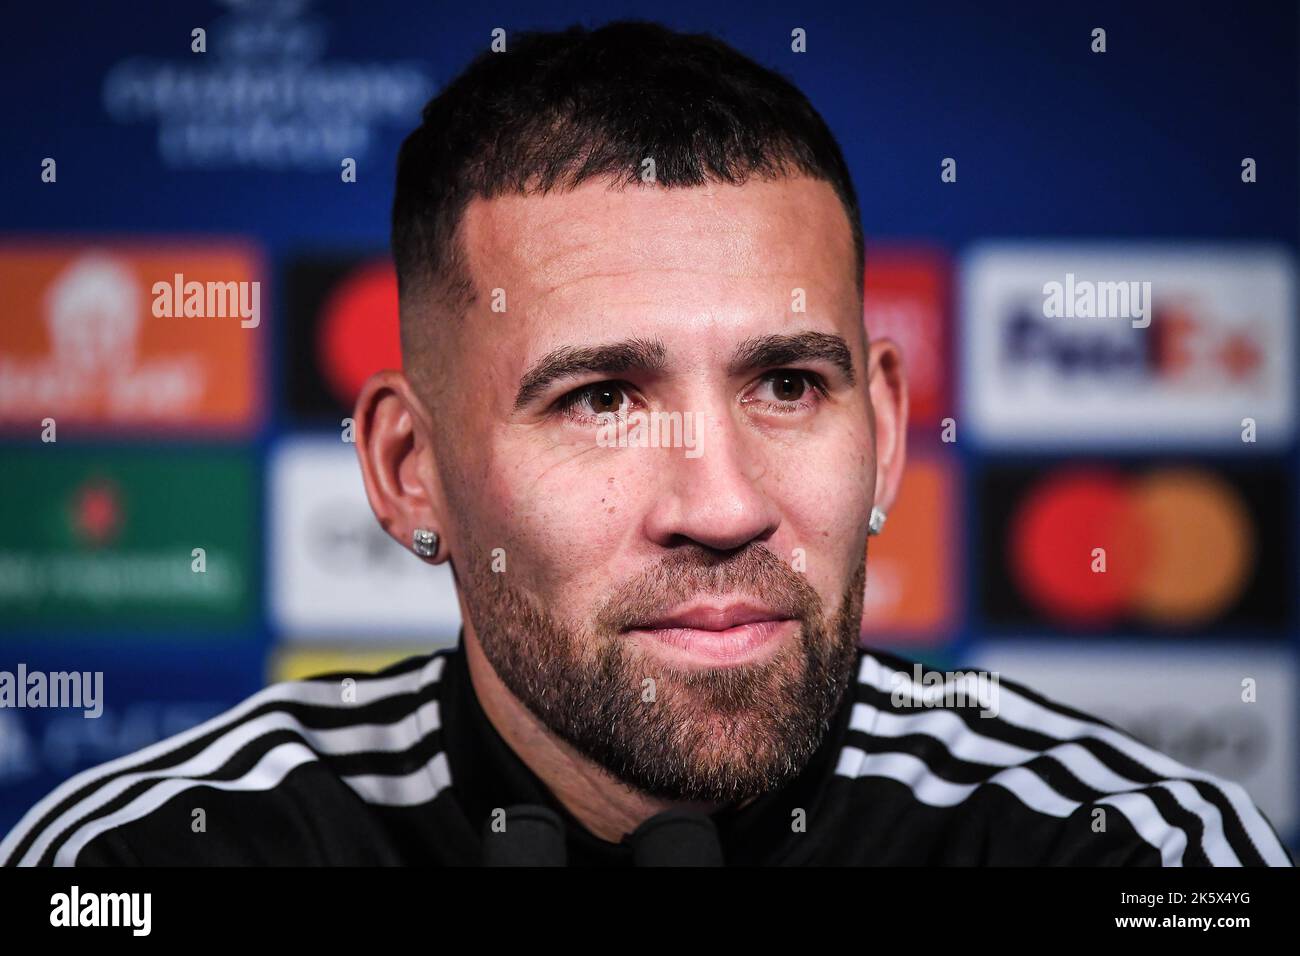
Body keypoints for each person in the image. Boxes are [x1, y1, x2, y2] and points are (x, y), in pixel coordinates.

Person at [3, 21, 1290, 867]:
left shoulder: (1138, 857)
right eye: (600, 400)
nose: (722, 503)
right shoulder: (143, 864)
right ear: (409, 469)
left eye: (788, 384)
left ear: (887, 434)